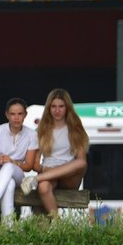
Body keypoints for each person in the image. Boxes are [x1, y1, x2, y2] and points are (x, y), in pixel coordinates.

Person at [19, 88, 89, 218]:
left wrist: (51, 171)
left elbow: (81, 161)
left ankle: (35, 179)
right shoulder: (41, 130)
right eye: (53, 107)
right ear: (49, 108)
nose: (57, 111)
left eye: (61, 106)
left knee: (81, 163)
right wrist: (45, 169)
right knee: (43, 187)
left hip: (69, 177)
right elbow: (35, 164)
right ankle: (57, 223)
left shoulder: (76, 129)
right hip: (49, 172)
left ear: (67, 108)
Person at [0, 97, 39, 221]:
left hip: (17, 174)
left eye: (20, 114)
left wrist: (11, 161)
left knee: (9, 166)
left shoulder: (32, 135)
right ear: (7, 115)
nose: (16, 118)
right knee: (9, 184)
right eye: (12, 114)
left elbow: (29, 166)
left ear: (25, 115)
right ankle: (8, 227)